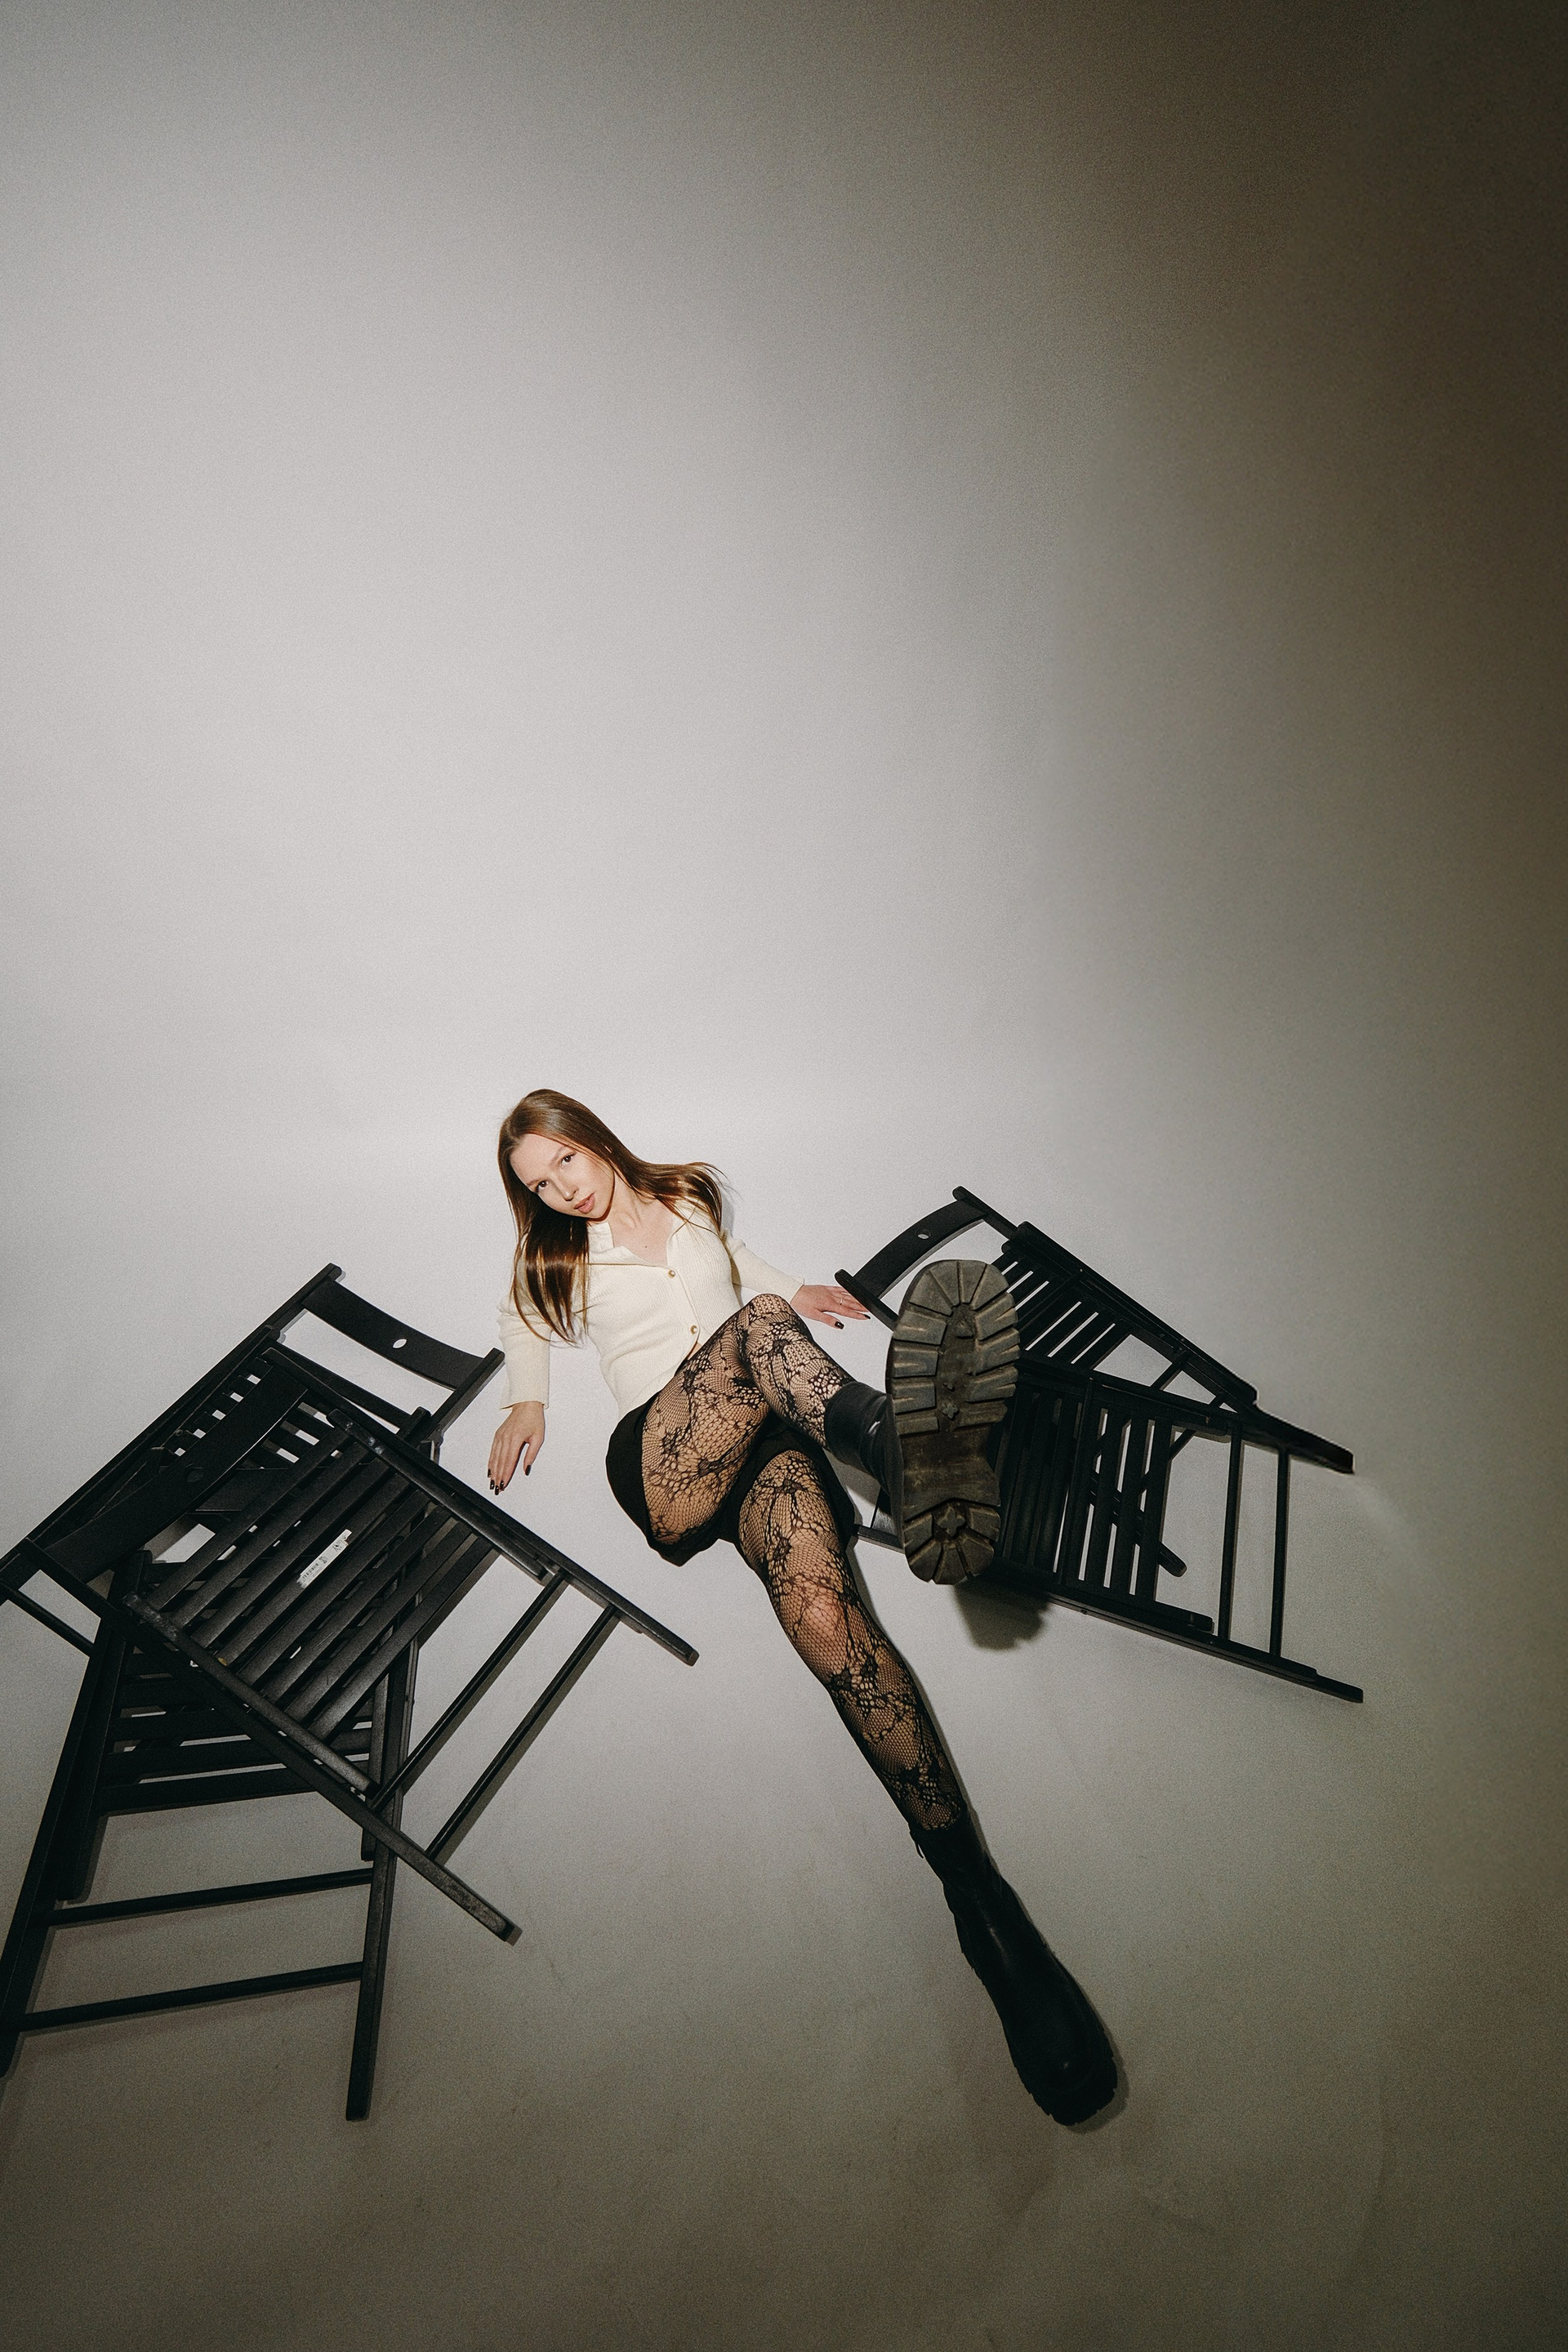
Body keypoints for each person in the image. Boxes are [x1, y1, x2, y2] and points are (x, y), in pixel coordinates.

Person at [487, 1088, 1116, 2127]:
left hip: (771, 1444)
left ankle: (983, 1908)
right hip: (668, 1454)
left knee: (831, 1626)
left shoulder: (687, 1194)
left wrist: (796, 1286)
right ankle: (903, 1451)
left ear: (589, 1135)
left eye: (563, 1161)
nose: (560, 1189)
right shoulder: (552, 1262)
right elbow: (521, 1321)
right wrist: (527, 1395)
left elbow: (733, 1267)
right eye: (537, 1185)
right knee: (757, 1332)